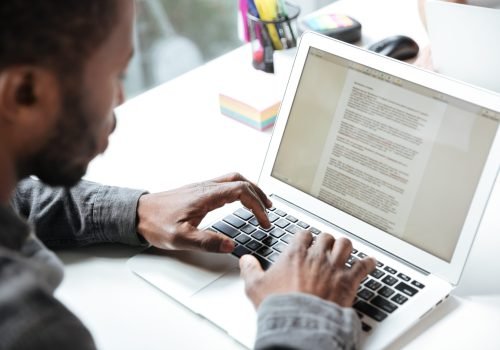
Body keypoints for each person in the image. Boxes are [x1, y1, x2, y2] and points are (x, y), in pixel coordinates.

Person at [0, 1, 376, 349]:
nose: (120, 98)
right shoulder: (35, 332)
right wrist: (302, 320)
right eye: (116, 72)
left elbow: (16, 201)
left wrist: (137, 210)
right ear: (25, 93)